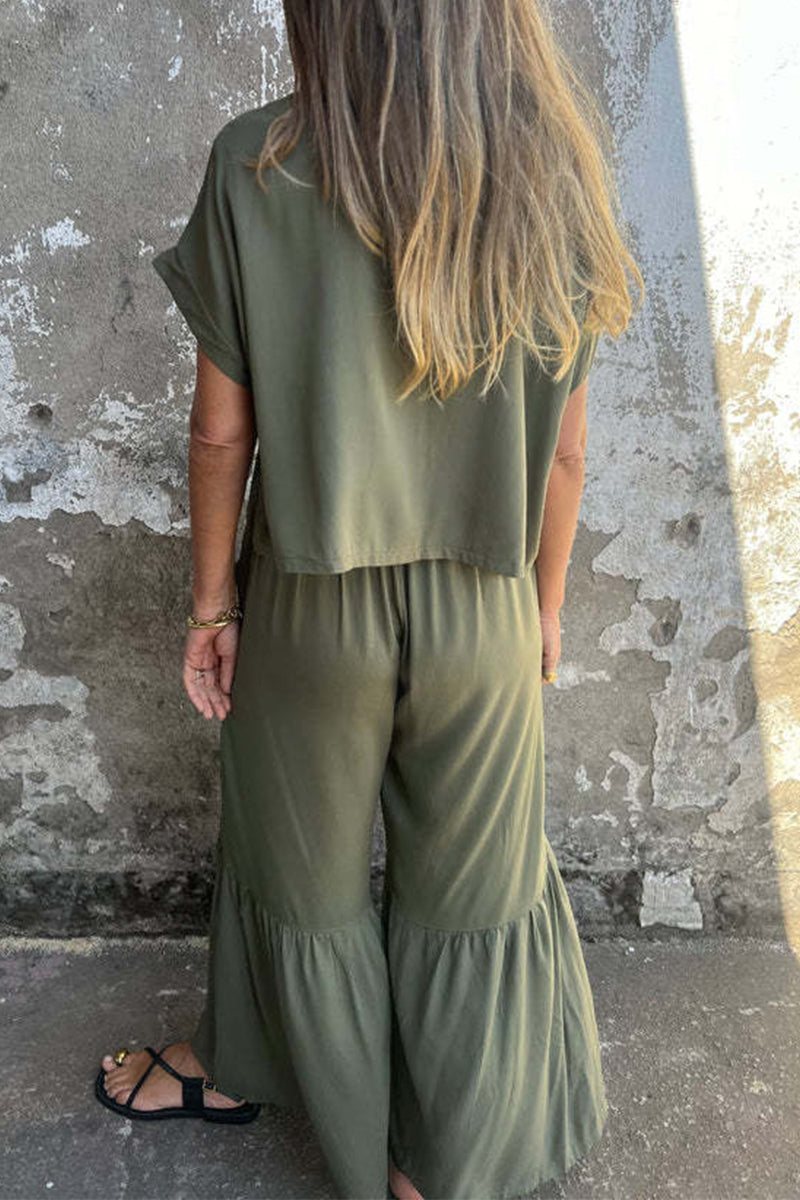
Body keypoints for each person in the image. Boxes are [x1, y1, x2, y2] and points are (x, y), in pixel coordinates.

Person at [95, 2, 643, 1197]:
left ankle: (246, 1069)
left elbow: (219, 434)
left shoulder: (255, 161)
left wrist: (210, 611)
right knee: (475, 894)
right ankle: (439, 1167)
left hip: (312, 600)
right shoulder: (553, 169)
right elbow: (563, 454)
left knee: (300, 880)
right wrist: (543, 605)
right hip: (486, 600)